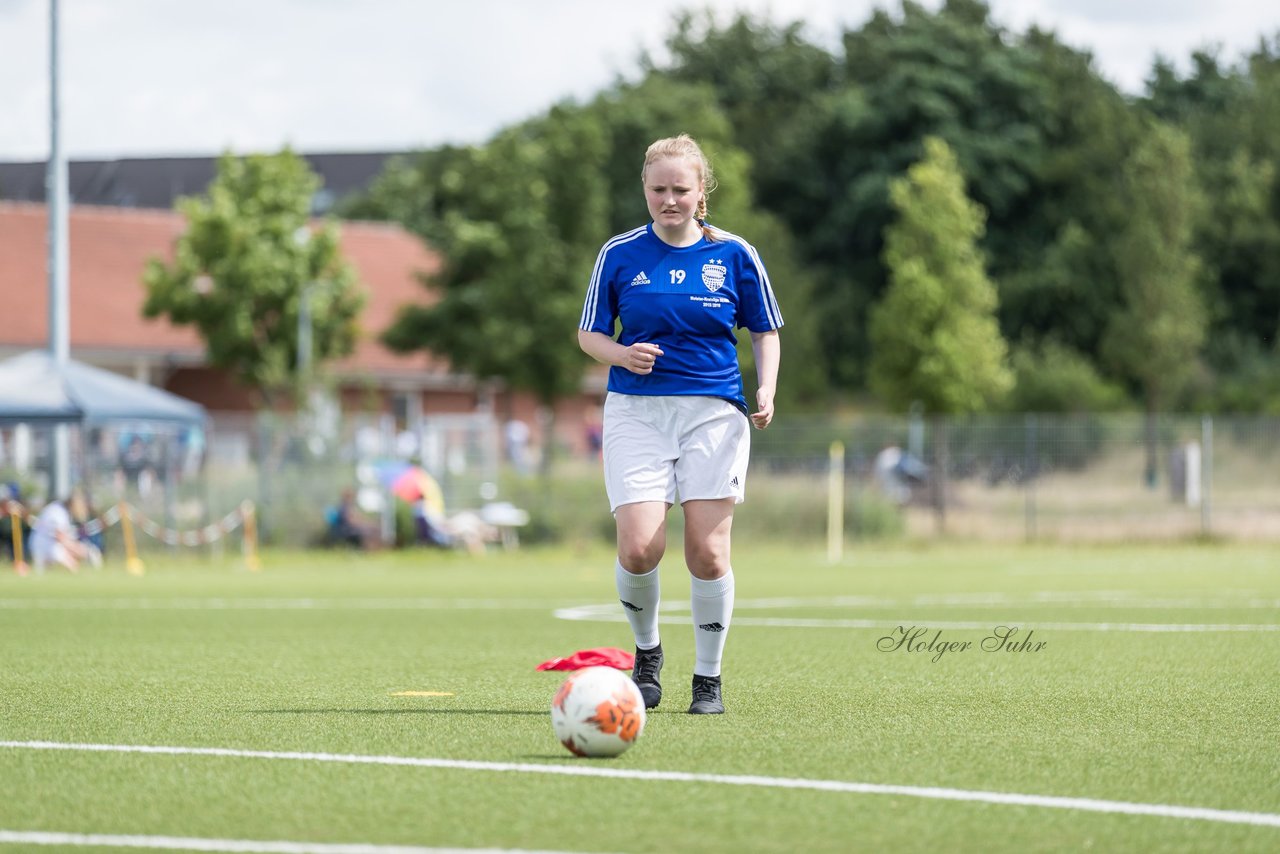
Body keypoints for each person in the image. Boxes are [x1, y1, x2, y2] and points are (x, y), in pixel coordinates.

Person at [577, 133, 783, 715]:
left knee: (708, 554)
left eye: (681, 189)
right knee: (641, 548)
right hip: (636, 413)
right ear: (644, 189)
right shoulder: (617, 255)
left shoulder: (735, 254)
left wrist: (765, 387)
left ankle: (708, 678)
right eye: (658, 189)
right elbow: (588, 333)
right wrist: (620, 355)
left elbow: (765, 328)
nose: (670, 200)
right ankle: (647, 655)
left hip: (714, 412)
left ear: (701, 192)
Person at [30, 496, 91, 574]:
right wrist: (81, 550)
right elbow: (61, 537)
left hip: (47, 544)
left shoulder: (59, 509)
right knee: (73, 567)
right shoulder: (58, 511)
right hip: (45, 545)